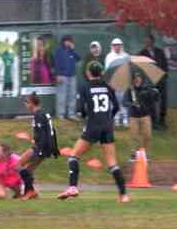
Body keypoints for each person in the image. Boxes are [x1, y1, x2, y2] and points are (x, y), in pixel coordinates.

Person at [57, 62, 130, 203]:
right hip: (107, 126)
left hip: (93, 125)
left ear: (89, 73)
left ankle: (72, 187)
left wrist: (86, 116)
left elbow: (81, 109)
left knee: (73, 156)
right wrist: (108, 119)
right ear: (101, 73)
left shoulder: (85, 87)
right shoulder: (108, 87)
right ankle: (123, 195)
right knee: (112, 163)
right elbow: (115, 107)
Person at [16, 92, 59, 200]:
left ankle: (30, 191)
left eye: (26, 102)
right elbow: (52, 131)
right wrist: (54, 147)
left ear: (31, 103)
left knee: (19, 165)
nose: (25, 104)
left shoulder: (38, 115)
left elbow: (45, 134)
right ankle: (29, 192)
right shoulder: (43, 114)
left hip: (41, 147)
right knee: (28, 170)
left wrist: (40, 149)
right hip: (44, 146)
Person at [123, 72, 160, 161]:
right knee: (134, 136)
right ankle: (134, 155)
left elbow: (155, 98)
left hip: (145, 115)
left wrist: (154, 92)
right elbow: (124, 102)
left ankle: (144, 153)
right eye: (135, 77)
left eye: (139, 77)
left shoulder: (146, 88)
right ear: (133, 79)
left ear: (142, 79)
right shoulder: (130, 89)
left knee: (147, 135)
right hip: (133, 116)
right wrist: (132, 104)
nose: (138, 79)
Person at [138, 34, 169, 129]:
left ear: (152, 41)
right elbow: (141, 69)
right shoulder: (141, 53)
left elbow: (165, 66)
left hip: (160, 80)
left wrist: (163, 76)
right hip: (149, 82)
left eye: (149, 40)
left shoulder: (160, 52)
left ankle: (162, 120)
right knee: (150, 102)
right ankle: (153, 123)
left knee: (163, 101)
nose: (147, 42)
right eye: (145, 41)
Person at [54, 35, 81, 119]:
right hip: (62, 76)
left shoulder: (72, 51)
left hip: (73, 76)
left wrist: (73, 49)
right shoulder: (59, 51)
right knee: (62, 95)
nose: (68, 42)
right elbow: (56, 63)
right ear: (63, 41)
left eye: (69, 41)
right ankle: (60, 114)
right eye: (66, 41)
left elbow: (78, 58)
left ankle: (71, 114)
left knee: (72, 95)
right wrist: (58, 75)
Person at [105, 38, 130, 127]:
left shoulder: (126, 56)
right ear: (112, 46)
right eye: (115, 45)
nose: (117, 47)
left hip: (123, 81)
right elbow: (107, 70)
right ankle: (115, 119)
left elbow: (128, 69)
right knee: (114, 101)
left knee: (123, 101)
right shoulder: (109, 56)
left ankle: (125, 119)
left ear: (121, 46)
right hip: (113, 82)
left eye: (118, 45)